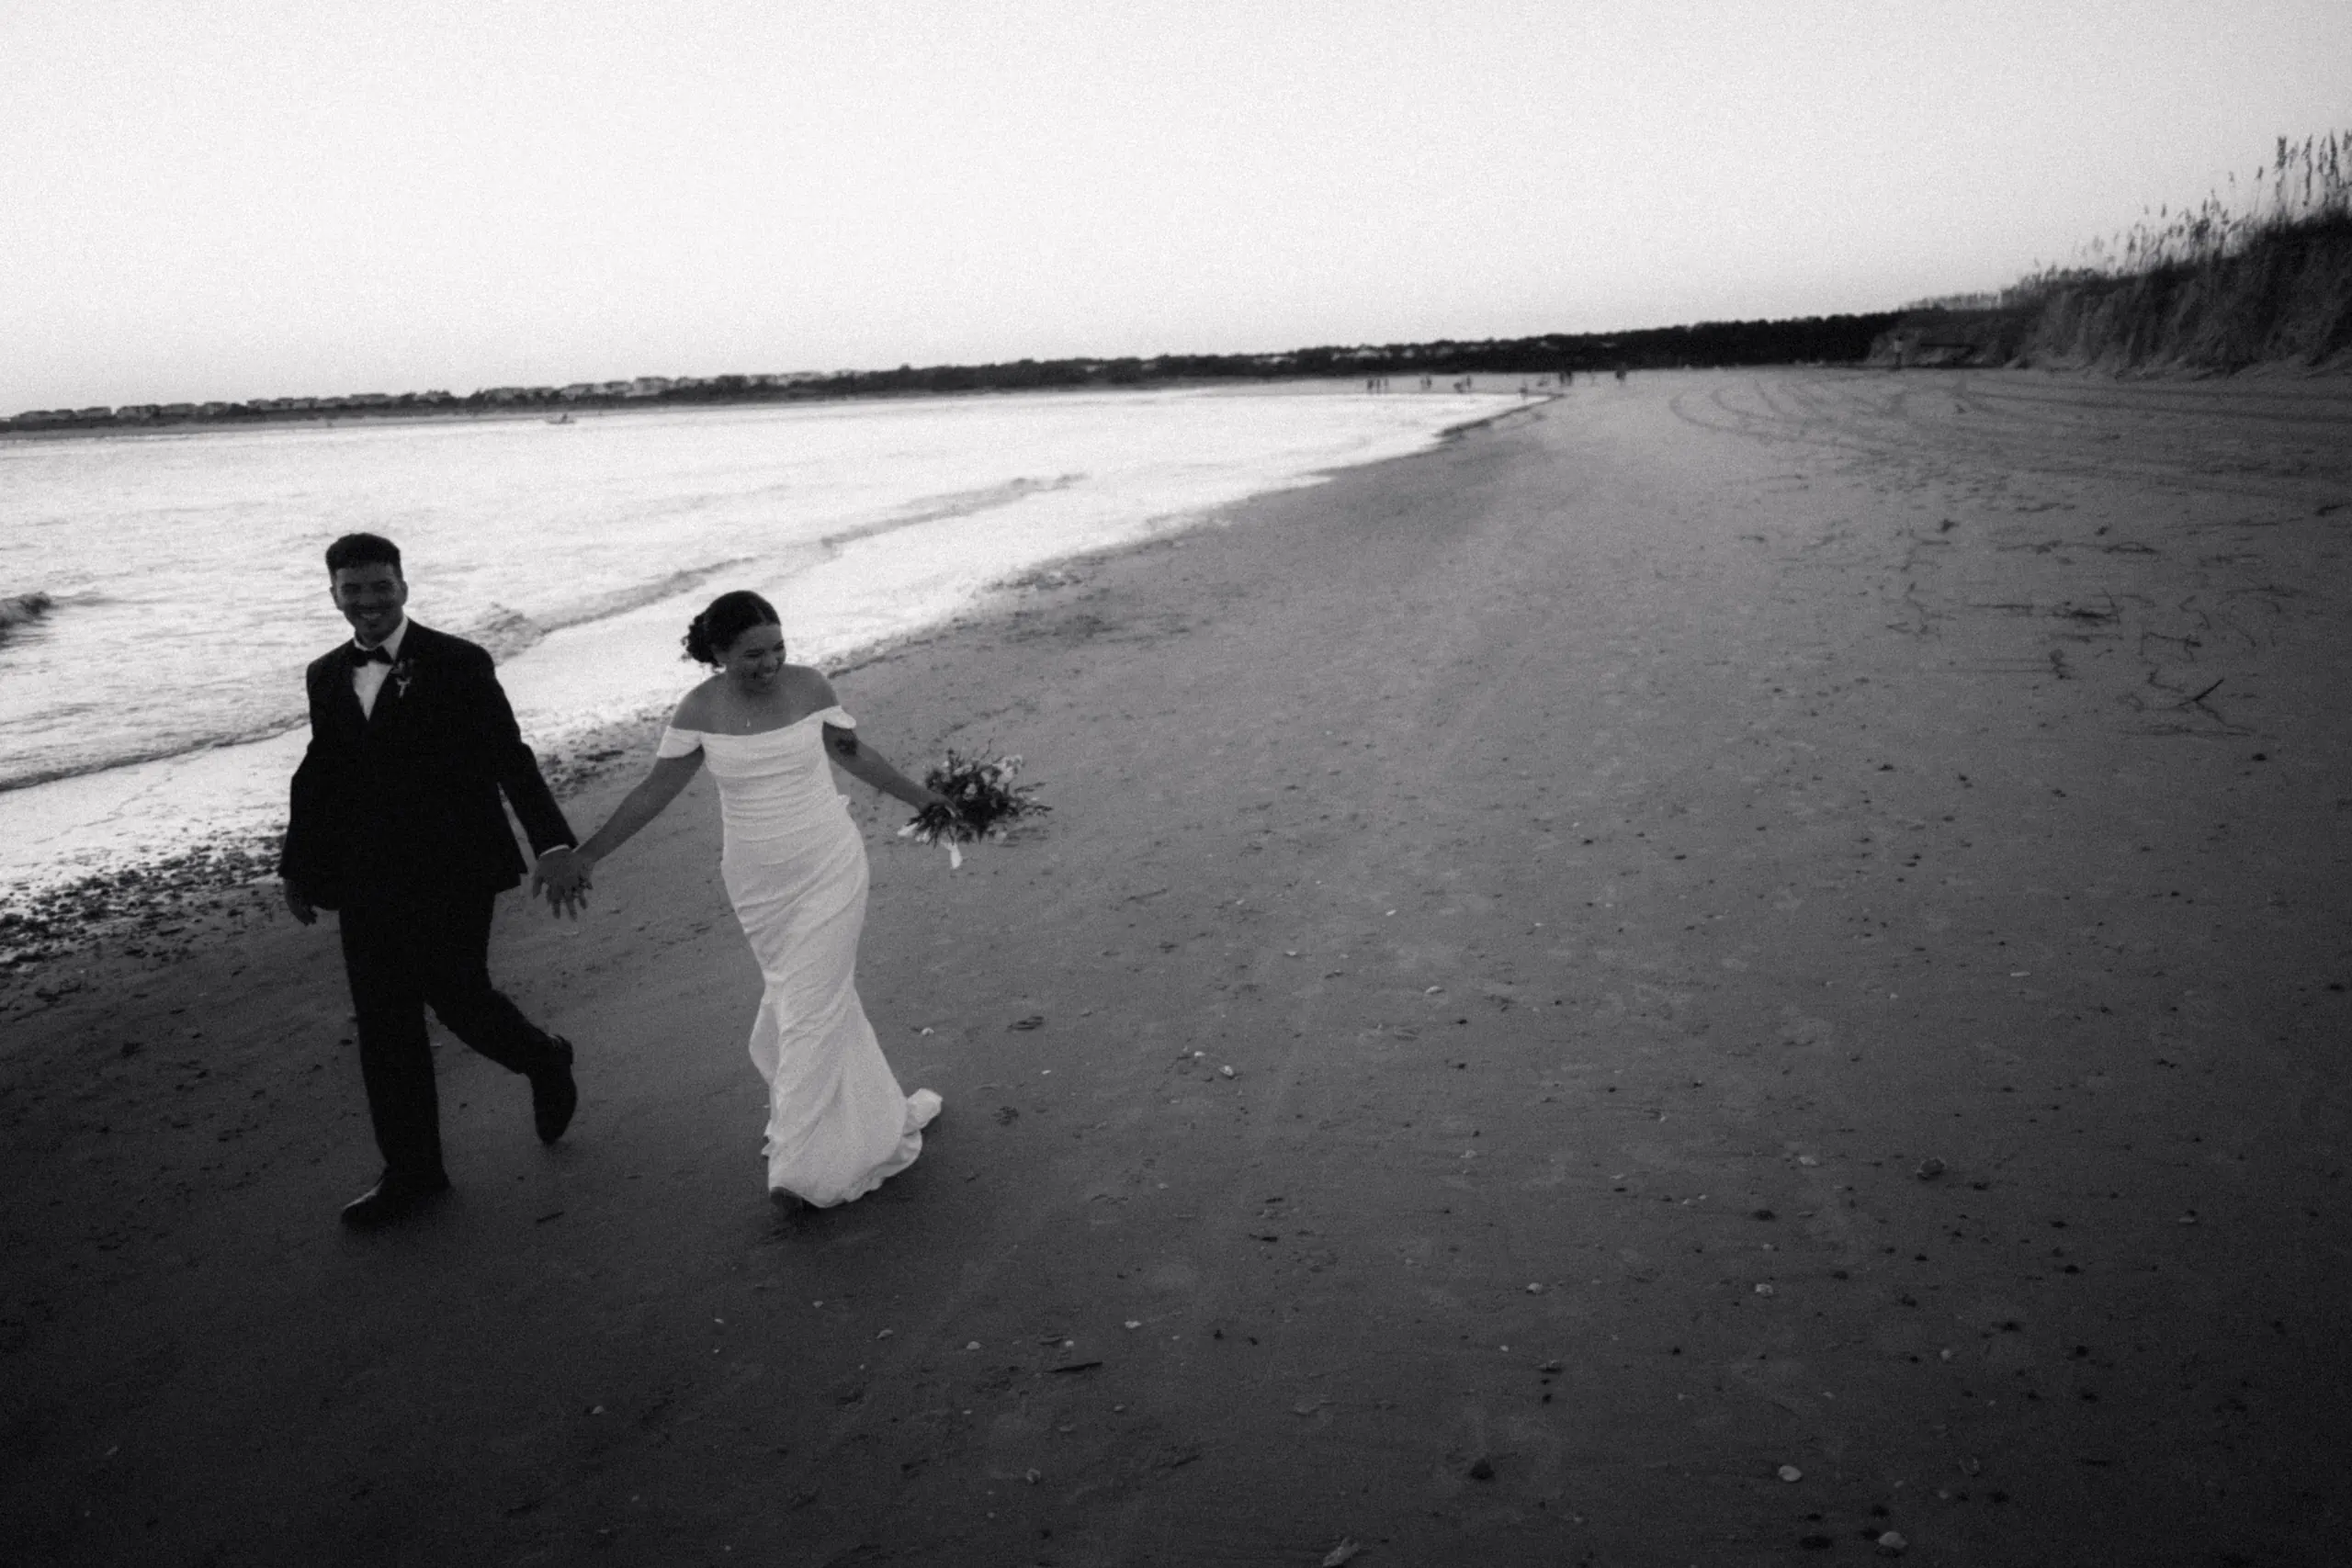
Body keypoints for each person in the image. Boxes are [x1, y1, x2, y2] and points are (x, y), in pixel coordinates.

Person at [535, 591, 944, 1211]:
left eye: (779, 648)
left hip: (830, 864)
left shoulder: (810, 687)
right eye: (753, 653)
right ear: (718, 652)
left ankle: (799, 1167)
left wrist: (925, 800)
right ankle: (872, 1116)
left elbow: (854, 755)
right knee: (809, 993)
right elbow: (655, 791)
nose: (770, 663)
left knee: (810, 1004)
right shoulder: (699, 708)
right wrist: (588, 854)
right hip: (757, 881)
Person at [279, 533, 582, 1229]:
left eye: (380, 586)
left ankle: (544, 1057)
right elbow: (319, 771)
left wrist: (553, 843)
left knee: (459, 996)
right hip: (365, 875)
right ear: (333, 595)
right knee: (385, 1022)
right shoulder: (325, 673)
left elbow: (510, 755)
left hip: (454, 865)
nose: (367, 601)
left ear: (404, 587)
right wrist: (299, 864)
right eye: (351, 590)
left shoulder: (457, 662)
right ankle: (413, 1171)